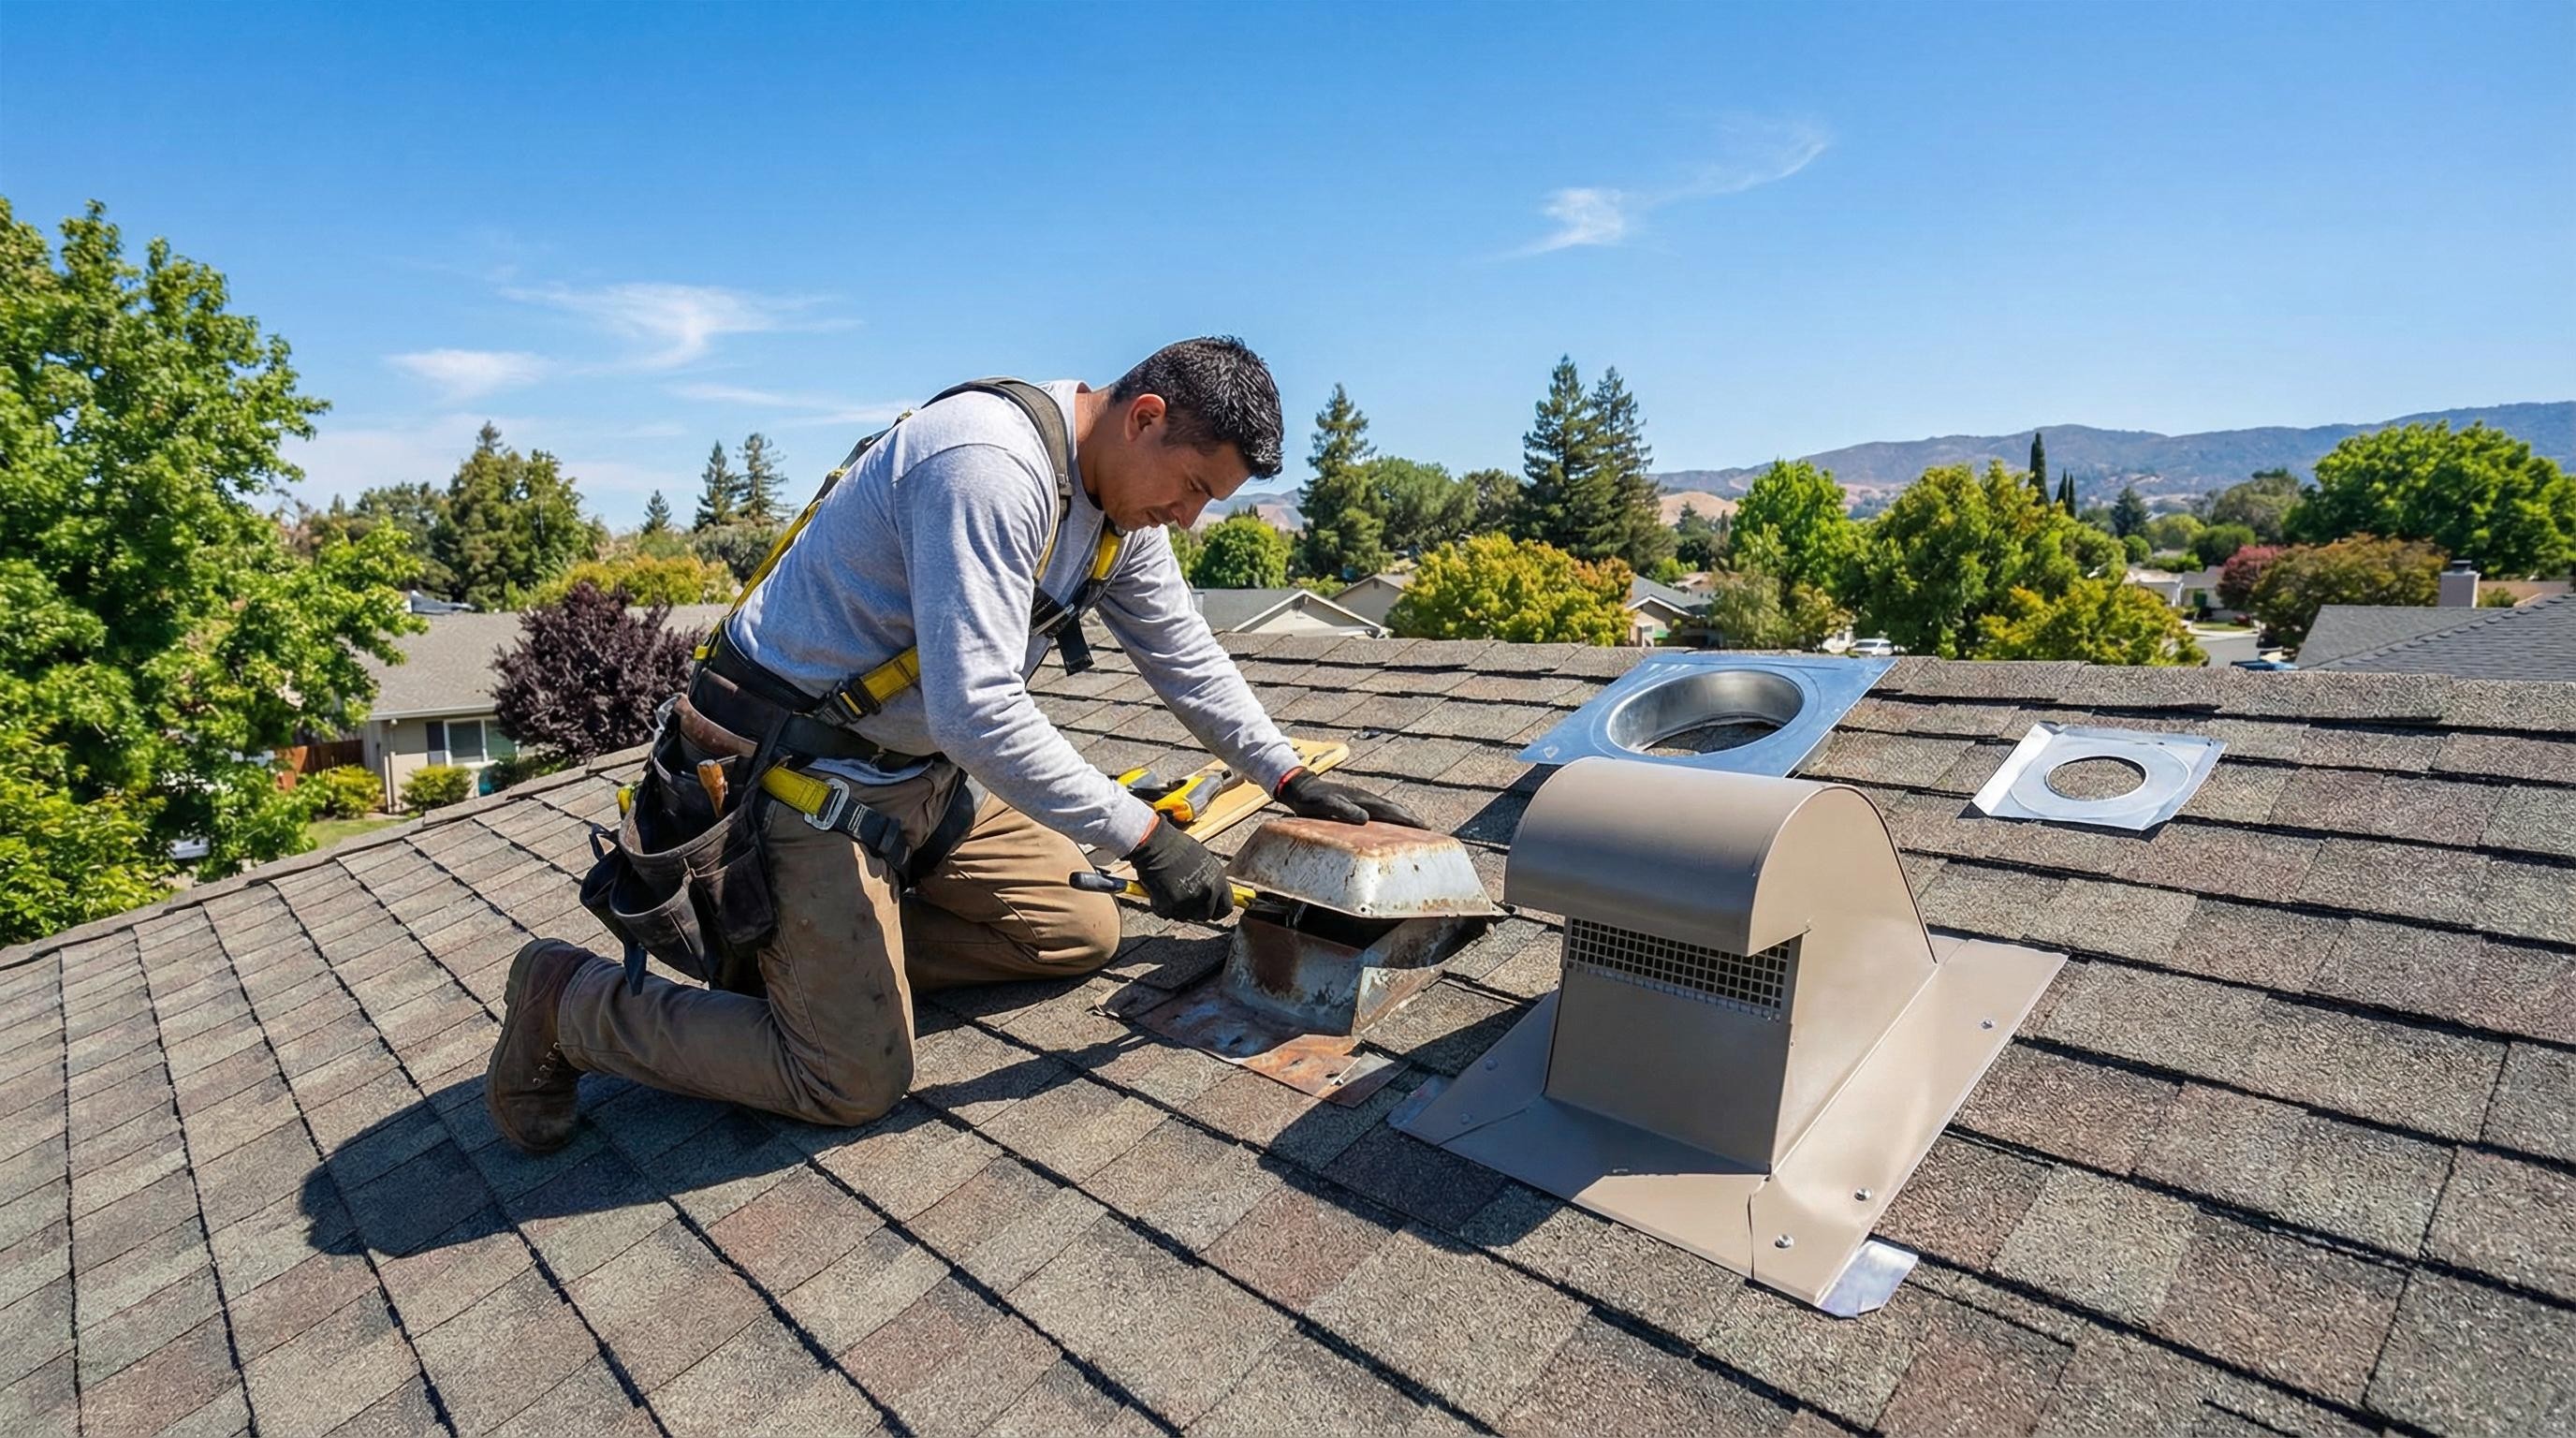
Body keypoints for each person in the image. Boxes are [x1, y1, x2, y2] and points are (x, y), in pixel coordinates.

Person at [485, 337, 1421, 1153]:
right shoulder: (989, 467)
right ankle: (569, 1004)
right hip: (803, 781)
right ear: (1145, 417)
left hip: (921, 778)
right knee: (850, 1081)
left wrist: (1285, 773)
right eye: (1192, 490)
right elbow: (977, 710)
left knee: (1075, 931)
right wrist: (1145, 838)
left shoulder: (1116, 515)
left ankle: (825, 963)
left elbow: (1181, 653)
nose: (1190, 519)